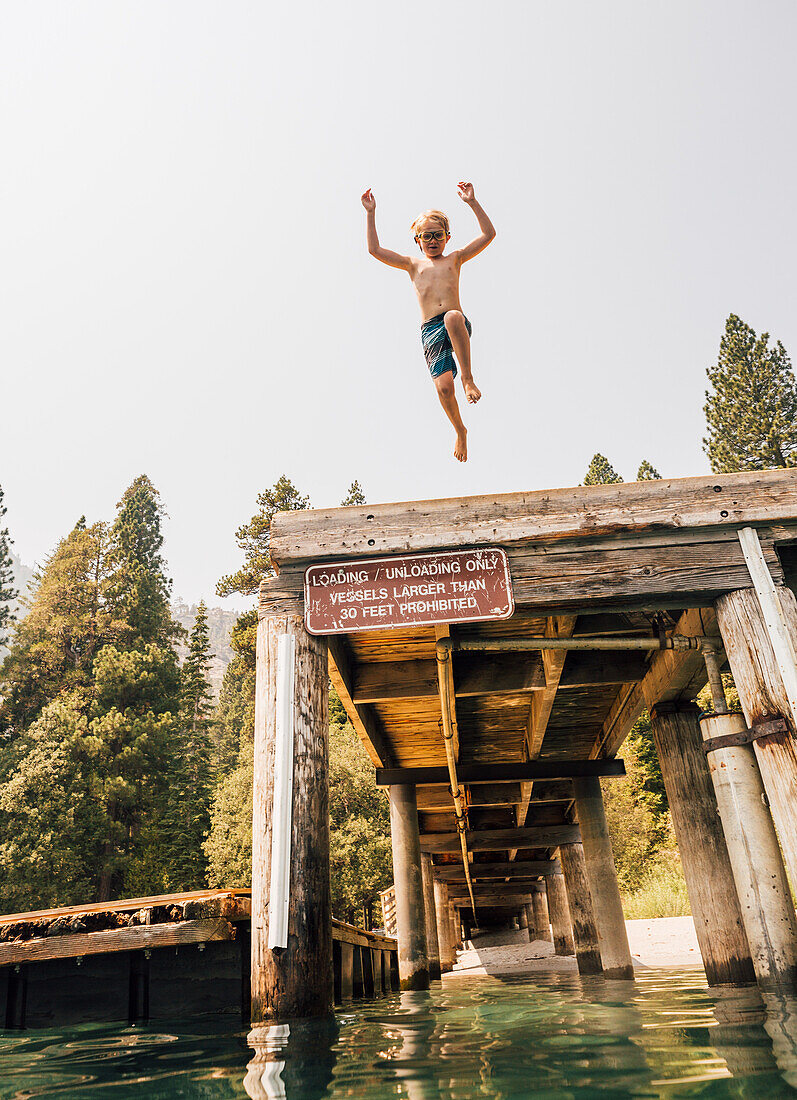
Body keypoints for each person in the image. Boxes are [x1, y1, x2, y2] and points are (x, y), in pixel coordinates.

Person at [361, 182, 495, 462]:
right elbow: (374, 250)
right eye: (426, 236)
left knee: (453, 315)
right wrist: (371, 213)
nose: (432, 241)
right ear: (418, 240)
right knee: (444, 388)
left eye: (437, 235)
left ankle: (468, 379)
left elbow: (488, 234)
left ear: (447, 237)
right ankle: (460, 430)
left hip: (455, 326)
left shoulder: (455, 259)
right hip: (430, 330)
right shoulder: (412, 264)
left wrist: (472, 202)